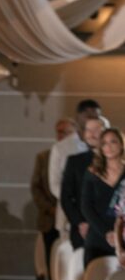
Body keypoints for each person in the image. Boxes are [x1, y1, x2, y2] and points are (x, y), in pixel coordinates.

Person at [48, 99, 103, 236]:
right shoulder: (61, 148)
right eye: (88, 116)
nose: (92, 120)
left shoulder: (105, 148)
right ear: (78, 118)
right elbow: (55, 183)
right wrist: (77, 201)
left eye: (96, 117)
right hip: (70, 216)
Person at [32, 118, 74, 268]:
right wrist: (51, 208)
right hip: (49, 218)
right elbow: (36, 188)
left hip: (72, 219)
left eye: (66, 132)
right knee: (51, 262)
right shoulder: (44, 157)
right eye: (59, 132)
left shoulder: (80, 155)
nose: (62, 135)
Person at [81, 127, 125, 268]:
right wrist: (106, 233)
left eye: (113, 142)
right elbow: (86, 207)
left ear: (121, 144)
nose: (109, 147)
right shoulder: (92, 172)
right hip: (97, 237)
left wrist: (118, 235)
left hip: (123, 238)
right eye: (104, 143)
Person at [60, 116, 104, 250]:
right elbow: (66, 197)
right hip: (83, 231)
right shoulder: (74, 161)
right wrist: (80, 222)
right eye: (88, 130)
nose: (92, 134)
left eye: (97, 129)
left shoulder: (119, 162)